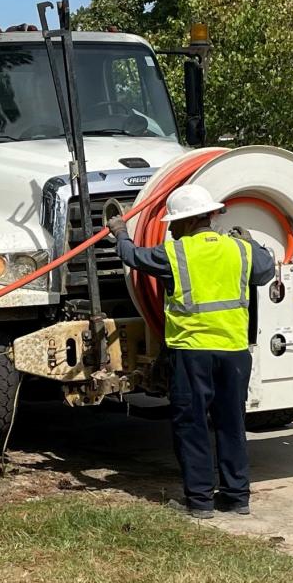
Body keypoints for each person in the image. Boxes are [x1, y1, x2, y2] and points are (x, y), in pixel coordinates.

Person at [106, 184, 276, 518]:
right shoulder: (240, 249)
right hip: (234, 351)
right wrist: (251, 241)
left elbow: (132, 257)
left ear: (187, 221)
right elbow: (266, 270)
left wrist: (120, 232)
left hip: (192, 352)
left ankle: (200, 502)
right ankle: (237, 498)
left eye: (173, 223)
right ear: (210, 215)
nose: (170, 229)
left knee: (192, 424)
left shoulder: (175, 253)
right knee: (232, 423)